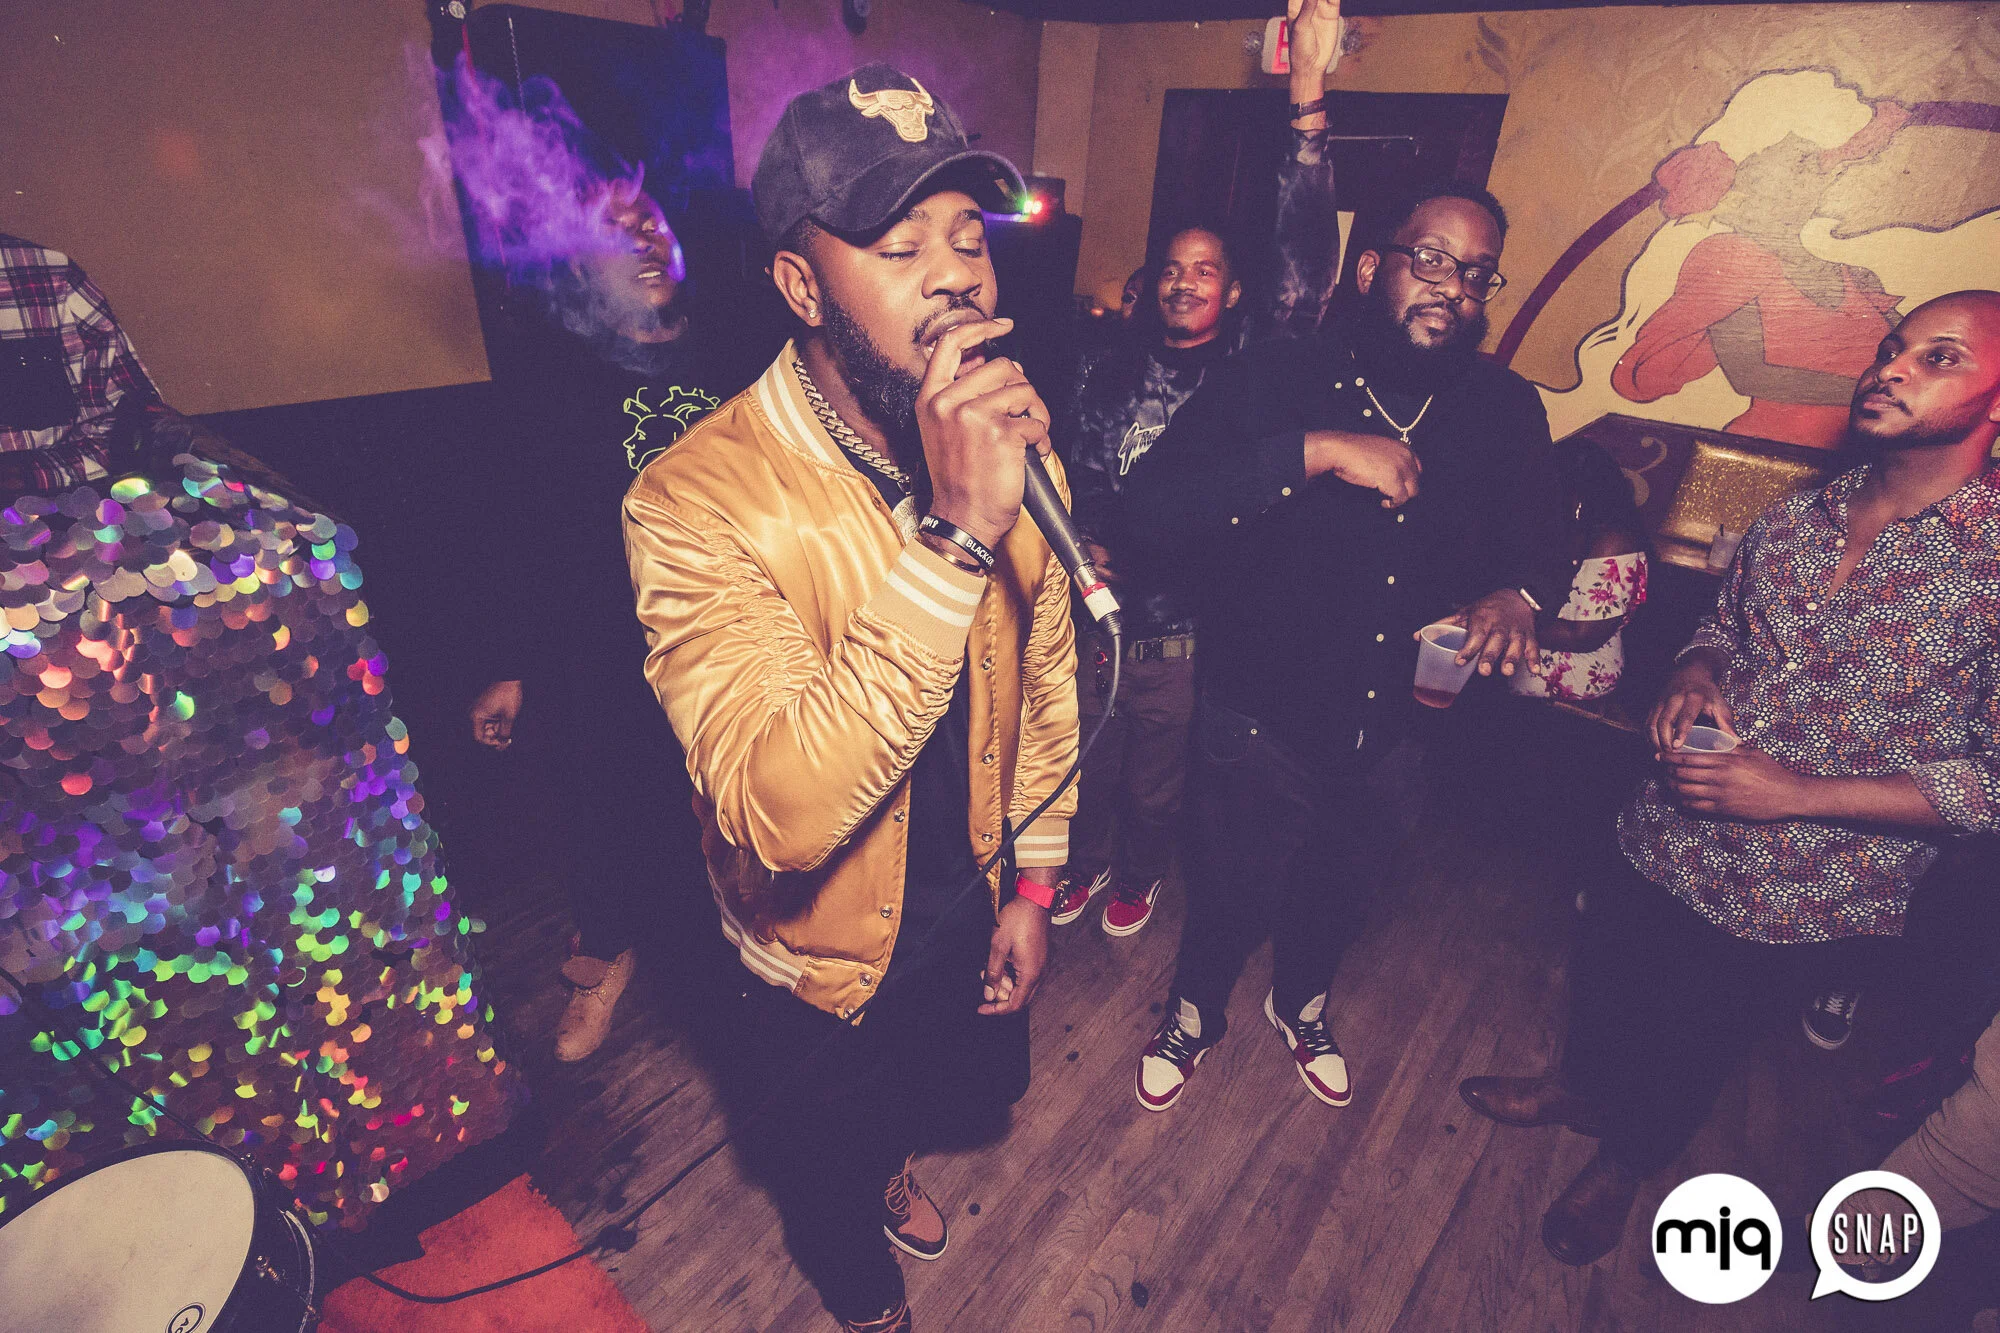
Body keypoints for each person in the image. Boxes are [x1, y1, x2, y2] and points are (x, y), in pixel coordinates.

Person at [621, 67, 1079, 1333]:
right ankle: (860, 1284)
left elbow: (1045, 679)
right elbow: (780, 811)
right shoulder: (692, 497)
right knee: (816, 1145)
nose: (954, 277)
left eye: (967, 237)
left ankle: (888, 1163)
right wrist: (954, 535)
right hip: (812, 952)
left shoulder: (1003, 432)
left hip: (960, 894)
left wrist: (1033, 886)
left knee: (923, 1088)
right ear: (800, 283)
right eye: (897, 244)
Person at [1460, 291, 2000, 1266]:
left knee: (1697, 1030)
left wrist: (1797, 794)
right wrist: (1693, 671)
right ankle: (1578, 1086)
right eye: (1891, 347)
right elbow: (1720, 627)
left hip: (1806, 884)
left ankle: (1626, 1159)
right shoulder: (1801, 513)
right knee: (1611, 966)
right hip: (1669, 821)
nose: (1891, 366)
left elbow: (1991, 782)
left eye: (1938, 357)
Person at [0, 236, 518, 1226]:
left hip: (128, 653)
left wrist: (259, 518)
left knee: (251, 909)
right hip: (34, 741)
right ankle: (174, 1204)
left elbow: (137, 421)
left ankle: (335, 1164)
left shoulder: (41, 280)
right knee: (100, 970)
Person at [1120, 126, 1569, 1111]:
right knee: (1228, 888)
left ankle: (1301, 1001)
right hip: (1257, 719)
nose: (1454, 287)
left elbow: (1542, 545)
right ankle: (1193, 1011)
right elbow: (1149, 508)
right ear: (1372, 268)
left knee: (1344, 884)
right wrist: (1313, 451)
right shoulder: (1275, 378)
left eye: (1477, 273)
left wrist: (1516, 594)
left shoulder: (1505, 411)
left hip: (1402, 729)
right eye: (1432, 259)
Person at [1050, 0, 1345, 940]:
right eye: (1172, 268)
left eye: (1206, 270)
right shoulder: (1106, 363)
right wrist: (1082, 542)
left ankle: (1139, 872)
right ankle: (1084, 863)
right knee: (1081, 761)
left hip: (1179, 630)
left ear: (1235, 289)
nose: (1183, 282)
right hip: (1088, 609)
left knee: (1155, 778)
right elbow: (1070, 468)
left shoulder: (1249, 372)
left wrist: (1307, 102)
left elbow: (1302, 271)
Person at [465, 178, 757, 1062]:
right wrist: (512, 663)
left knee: (736, 806)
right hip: (603, 641)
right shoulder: (558, 376)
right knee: (600, 803)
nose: (642, 239)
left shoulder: (739, 356)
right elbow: (521, 528)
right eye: (614, 229)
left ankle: (745, 957)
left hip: (731, 632)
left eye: (650, 221)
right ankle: (607, 949)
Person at [1506, 440, 1649, 705]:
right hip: (1523, 665)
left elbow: (1583, 636)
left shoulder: (1613, 544)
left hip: (1579, 680)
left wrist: (1507, 623)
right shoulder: (1558, 531)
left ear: (1577, 498)